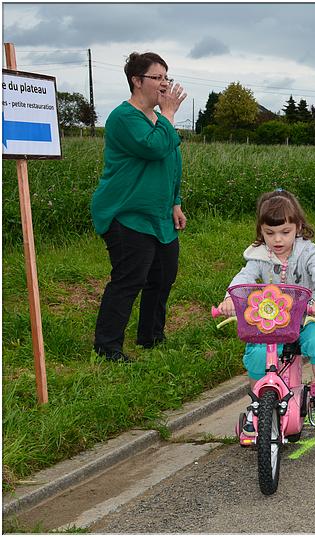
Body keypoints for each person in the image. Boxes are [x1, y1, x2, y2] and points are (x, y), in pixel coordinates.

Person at [216, 190, 315, 440]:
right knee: (255, 355)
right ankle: (257, 405)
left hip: (305, 316)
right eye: (269, 233)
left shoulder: (307, 252)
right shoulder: (259, 255)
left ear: (297, 227)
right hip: (269, 322)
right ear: (261, 231)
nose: (277, 239)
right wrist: (229, 299)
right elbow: (244, 277)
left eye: (285, 232)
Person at [91, 52, 187, 363]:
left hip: (159, 216)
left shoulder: (159, 121)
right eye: (157, 77)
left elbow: (172, 161)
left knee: (163, 275)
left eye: (166, 78)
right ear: (137, 81)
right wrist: (170, 115)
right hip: (126, 213)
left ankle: (151, 337)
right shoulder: (123, 118)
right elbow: (154, 147)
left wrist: (175, 202)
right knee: (130, 278)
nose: (164, 84)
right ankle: (107, 347)